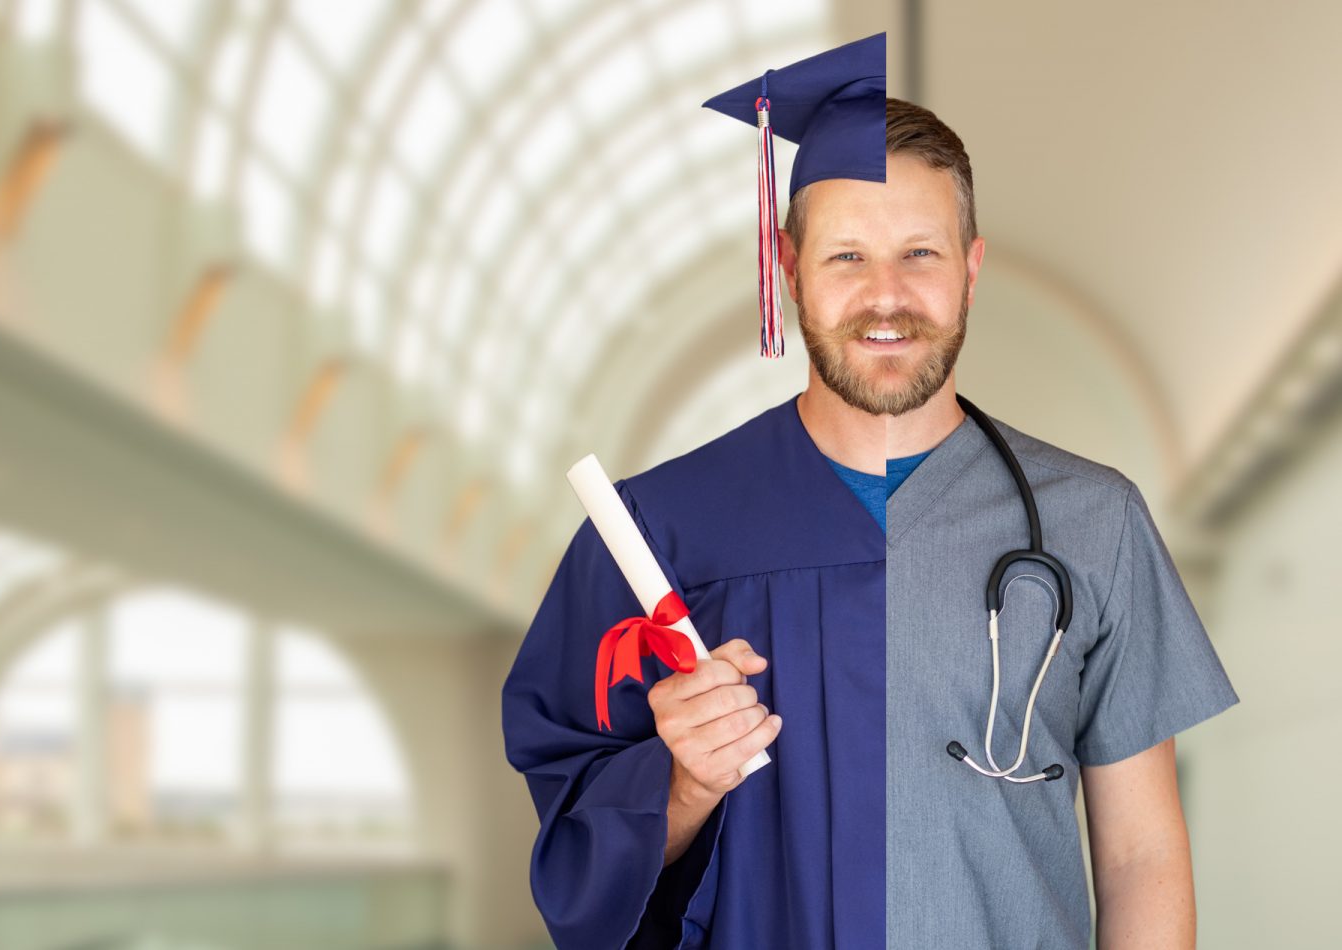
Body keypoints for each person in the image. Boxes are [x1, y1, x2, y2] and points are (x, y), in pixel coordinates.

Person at [501, 32, 1238, 949]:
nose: (885, 296)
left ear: (970, 270)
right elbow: (572, 861)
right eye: (847, 256)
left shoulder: (1094, 523)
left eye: (920, 254)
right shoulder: (658, 534)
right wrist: (681, 781)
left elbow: (1140, 858)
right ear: (789, 268)